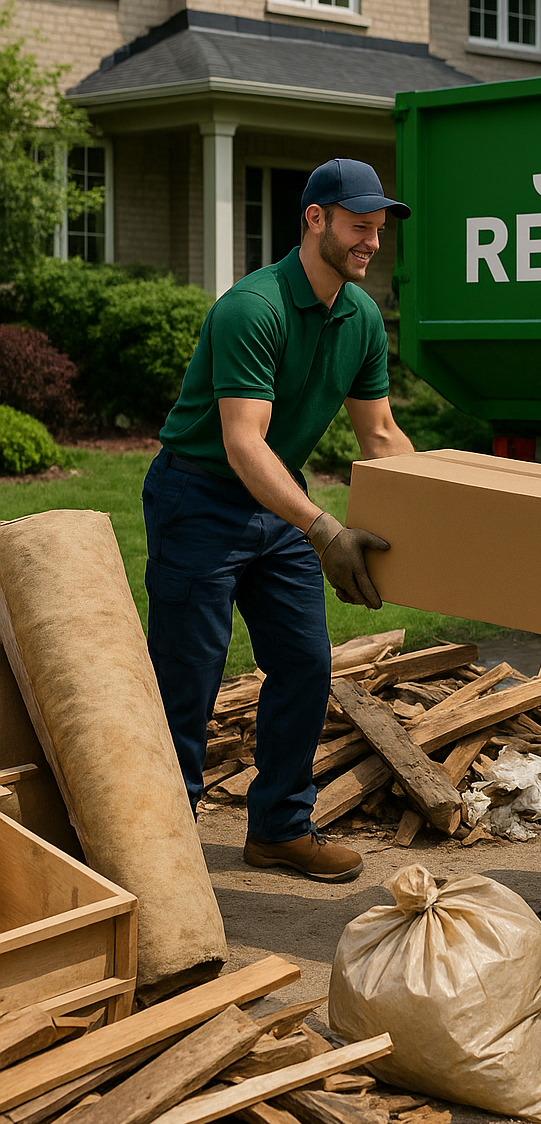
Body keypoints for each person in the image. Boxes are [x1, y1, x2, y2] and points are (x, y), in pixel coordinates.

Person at [143, 157, 414, 880]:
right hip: (198, 496)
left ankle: (279, 830)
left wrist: (434, 518)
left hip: (276, 501)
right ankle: (163, 849)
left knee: (305, 662)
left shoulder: (358, 316)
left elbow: (382, 436)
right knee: (187, 676)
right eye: (360, 227)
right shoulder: (252, 307)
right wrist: (322, 528)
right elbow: (241, 443)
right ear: (315, 219)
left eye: (379, 230)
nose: (372, 243)